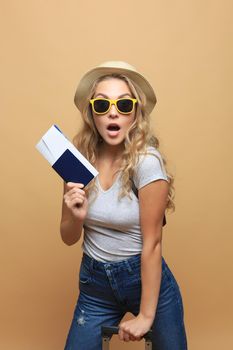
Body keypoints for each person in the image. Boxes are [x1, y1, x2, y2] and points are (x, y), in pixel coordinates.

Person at [60, 61, 188, 350]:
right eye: (103, 105)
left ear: (135, 114)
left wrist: (146, 314)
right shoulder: (77, 160)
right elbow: (68, 237)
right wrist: (75, 215)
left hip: (145, 279)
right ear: (92, 113)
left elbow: (152, 243)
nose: (113, 112)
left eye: (125, 104)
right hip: (95, 286)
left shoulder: (147, 162)